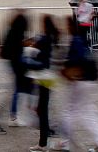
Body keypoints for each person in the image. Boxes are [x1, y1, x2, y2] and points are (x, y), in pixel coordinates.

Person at [58, 17, 98, 152]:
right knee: (90, 113)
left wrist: (68, 70)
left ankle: (65, 143)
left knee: (69, 111)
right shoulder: (83, 39)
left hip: (81, 80)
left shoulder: (75, 40)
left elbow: (77, 59)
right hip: (91, 79)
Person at [28, 16, 60, 152]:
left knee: (42, 109)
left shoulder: (44, 39)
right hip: (49, 76)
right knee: (42, 108)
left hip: (43, 76)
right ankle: (44, 140)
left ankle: (43, 143)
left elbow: (35, 53)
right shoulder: (51, 37)